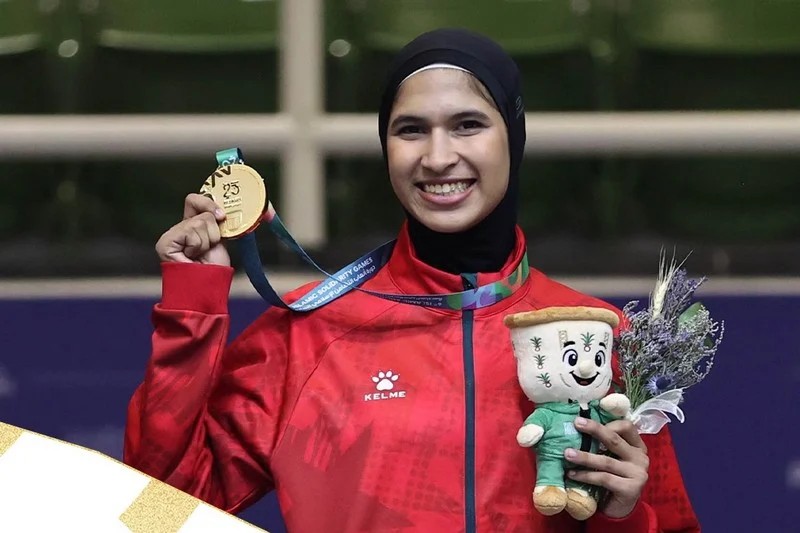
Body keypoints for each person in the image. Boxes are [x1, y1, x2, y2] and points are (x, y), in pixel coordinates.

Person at [124, 28, 700, 532]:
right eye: (411, 130)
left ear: (514, 135)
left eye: (468, 125)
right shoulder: (307, 336)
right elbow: (157, 513)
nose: (438, 156)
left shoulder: (598, 336)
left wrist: (624, 516)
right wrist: (193, 307)